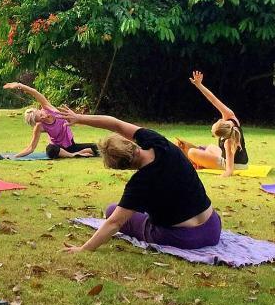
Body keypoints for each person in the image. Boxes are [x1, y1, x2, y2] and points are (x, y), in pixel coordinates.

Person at [55, 108, 221, 252]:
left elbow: (114, 223)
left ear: (123, 167)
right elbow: (117, 124)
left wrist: (84, 248)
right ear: (130, 143)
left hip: (184, 238)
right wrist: (80, 118)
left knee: (112, 210)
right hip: (213, 227)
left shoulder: (139, 184)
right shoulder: (159, 142)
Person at [175, 70, 248, 176]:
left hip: (235, 164)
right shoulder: (230, 117)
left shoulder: (228, 142)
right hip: (237, 160)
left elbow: (229, 170)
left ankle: (199, 160)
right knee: (209, 147)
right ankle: (201, 159)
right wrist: (199, 85)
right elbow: (213, 99)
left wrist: (224, 175)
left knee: (191, 152)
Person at [4, 81, 98, 158]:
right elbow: (31, 148)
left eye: (40, 114)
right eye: (39, 119)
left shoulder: (48, 107)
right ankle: (74, 155)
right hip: (58, 149)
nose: (42, 118)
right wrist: (15, 156)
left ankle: (77, 153)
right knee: (50, 149)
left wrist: (19, 85)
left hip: (71, 146)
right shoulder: (39, 127)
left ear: (39, 110)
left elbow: (35, 93)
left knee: (96, 147)